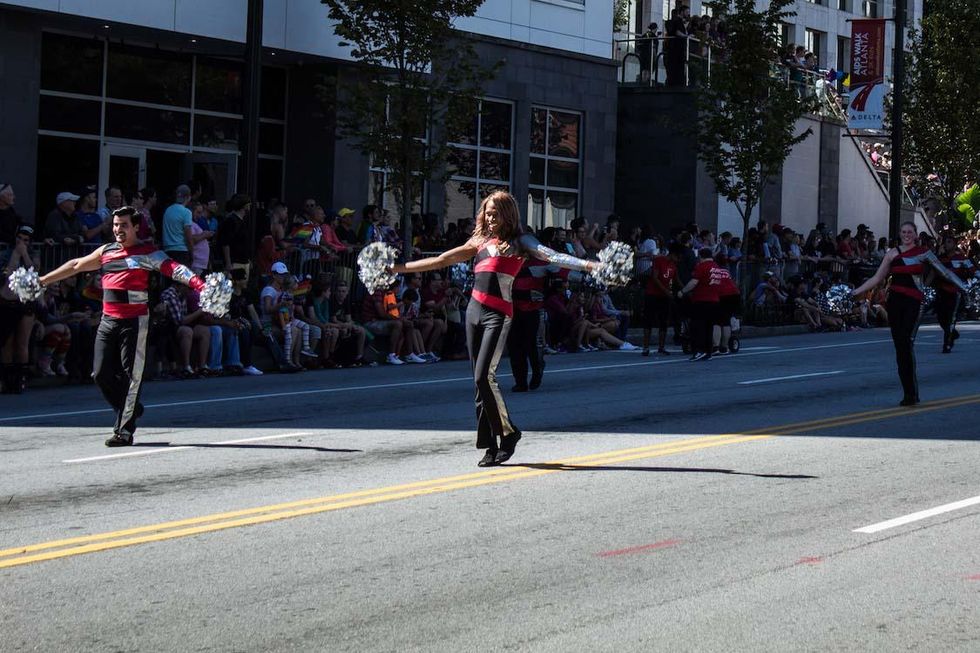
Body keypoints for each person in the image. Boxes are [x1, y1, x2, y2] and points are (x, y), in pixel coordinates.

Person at [390, 191, 600, 467]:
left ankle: (509, 434)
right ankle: (490, 445)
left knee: (483, 378)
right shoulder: (479, 241)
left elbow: (551, 255)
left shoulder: (520, 241)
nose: (490, 217)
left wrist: (588, 265)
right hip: (473, 313)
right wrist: (396, 268)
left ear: (508, 214)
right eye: (487, 212)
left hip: (499, 314)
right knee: (479, 385)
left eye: (495, 213)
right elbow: (442, 260)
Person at [37, 207, 209, 445]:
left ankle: (124, 430)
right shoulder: (106, 251)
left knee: (132, 376)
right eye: (116, 225)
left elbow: (175, 269)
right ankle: (130, 408)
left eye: (124, 225)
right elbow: (76, 265)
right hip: (108, 320)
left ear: (136, 227)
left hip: (135, 321)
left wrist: (201, 286)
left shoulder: (148, 252)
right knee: (100, 373)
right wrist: (43, 280)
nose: (118, 229)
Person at [851, 221, 970, 406]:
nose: (907, 234)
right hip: (895, 302)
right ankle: (908, 393)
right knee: (900, 347)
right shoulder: (892, 253)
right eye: (904, 232)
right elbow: (877, 277)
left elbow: (945, 273)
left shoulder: (924, 253)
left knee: (906, 342)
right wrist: (855, 292)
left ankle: (912, 393)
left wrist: (965, 288)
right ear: (900, 234)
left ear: (915, 235)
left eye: (910, 232)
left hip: (914, 302)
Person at [677, 247, 724, 361]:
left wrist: (682, 291)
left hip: (702, 300)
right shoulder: (717, 268)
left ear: (701, 257)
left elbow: (694, 282)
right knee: (709, 327)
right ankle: (708, 351)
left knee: (697, 326)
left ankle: (699, 351)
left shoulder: (701, 267)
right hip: (714, 300)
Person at [935, 234, 979, 353]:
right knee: (941, 317)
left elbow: (975, 272)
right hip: (942, 291)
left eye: (949, 242)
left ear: (954, 244)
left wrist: (970, 284)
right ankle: (952, 333)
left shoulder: (963, 259)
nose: (946, 244)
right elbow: (933, 273)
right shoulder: (940, 258)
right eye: (945, 242)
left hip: (956, 292)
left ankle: (947, 344)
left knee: (951, 318)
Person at [642, 243, 682, 356]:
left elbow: (676, 280)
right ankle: (645, 347)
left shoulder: (673, 266)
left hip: (664, 296)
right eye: (678, 257)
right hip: (652, 294)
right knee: (648, 320)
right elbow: (654, 277)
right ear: (673, 254)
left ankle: (661, 347)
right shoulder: (659, 260)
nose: (678, 260)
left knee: (664, 321)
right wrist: (666, 291)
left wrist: (685, 290)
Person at [162, 184, 194, 266]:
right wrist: (191, 251)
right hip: (181, 252)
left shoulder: (167, 211)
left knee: (169, 277)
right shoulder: (186, 212)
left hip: (167, 251)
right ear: (188, 197)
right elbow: (188, 234)